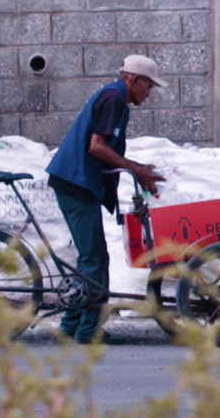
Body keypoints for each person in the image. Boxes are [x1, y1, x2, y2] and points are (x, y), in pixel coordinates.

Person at [45, 55, 167, 344]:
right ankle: (87, 333)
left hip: (77, 182)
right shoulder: (113, 97)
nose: (148, 94)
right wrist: (134, 168)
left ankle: (69, 327)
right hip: (75, 183)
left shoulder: (117, 100)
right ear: (134, 80)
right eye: (148, 86)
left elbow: (103, 149)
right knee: (95, 259)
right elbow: (97, 147)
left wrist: (133, 169)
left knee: (90, 258)